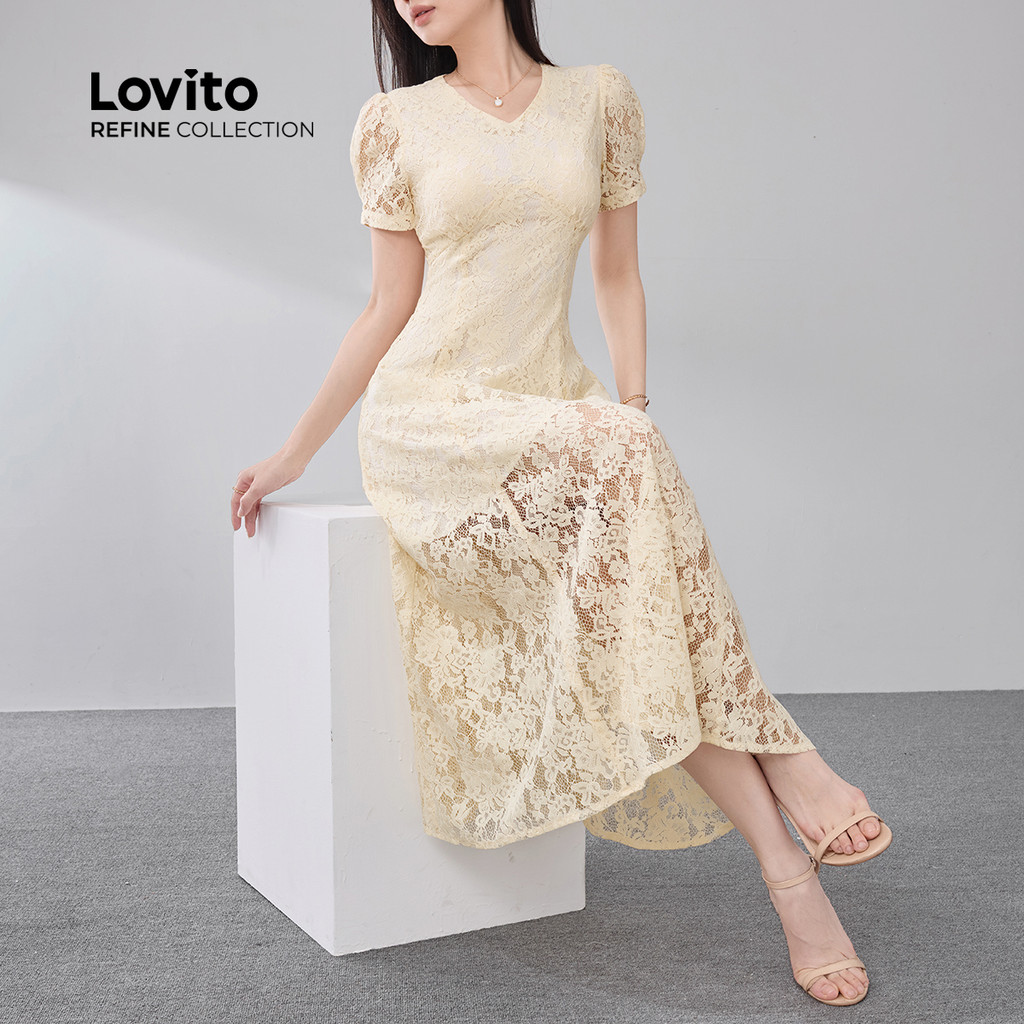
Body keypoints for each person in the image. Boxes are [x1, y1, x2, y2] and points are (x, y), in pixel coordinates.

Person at [231, 0, 893, 1006]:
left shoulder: (599, 101)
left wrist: (633, 409)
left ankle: (785, 867)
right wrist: (293, 452)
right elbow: (386, 306)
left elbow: (617, 274)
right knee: (633, 517)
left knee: (638, 609)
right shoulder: (395, 124)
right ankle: (790, 765)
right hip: (433, 424)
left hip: (556, 407)